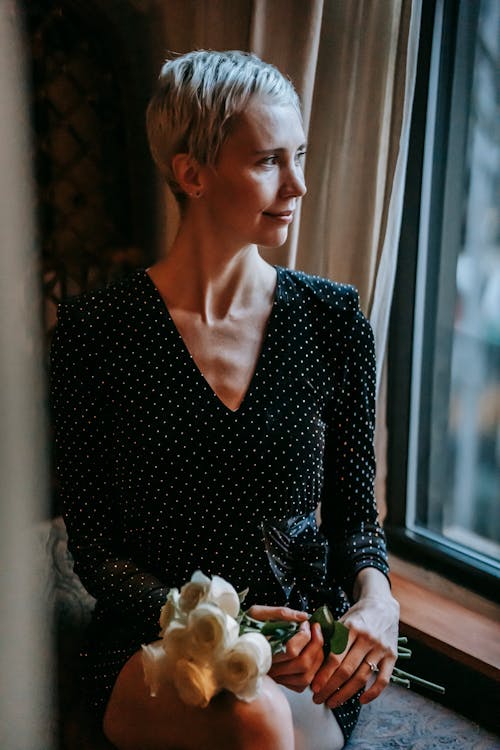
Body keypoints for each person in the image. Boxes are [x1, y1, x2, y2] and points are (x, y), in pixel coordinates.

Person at [50, 50, 399, 750]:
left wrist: (377, 601)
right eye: (270, 160)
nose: (299, 183)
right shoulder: (93, 335)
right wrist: (228, 630)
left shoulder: (335, 322)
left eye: (299, 154)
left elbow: (355, 521)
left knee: (266, 712)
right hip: (149, 642)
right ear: (192, 173)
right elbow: (97, 553)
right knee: (254, 718)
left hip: (305, 655)